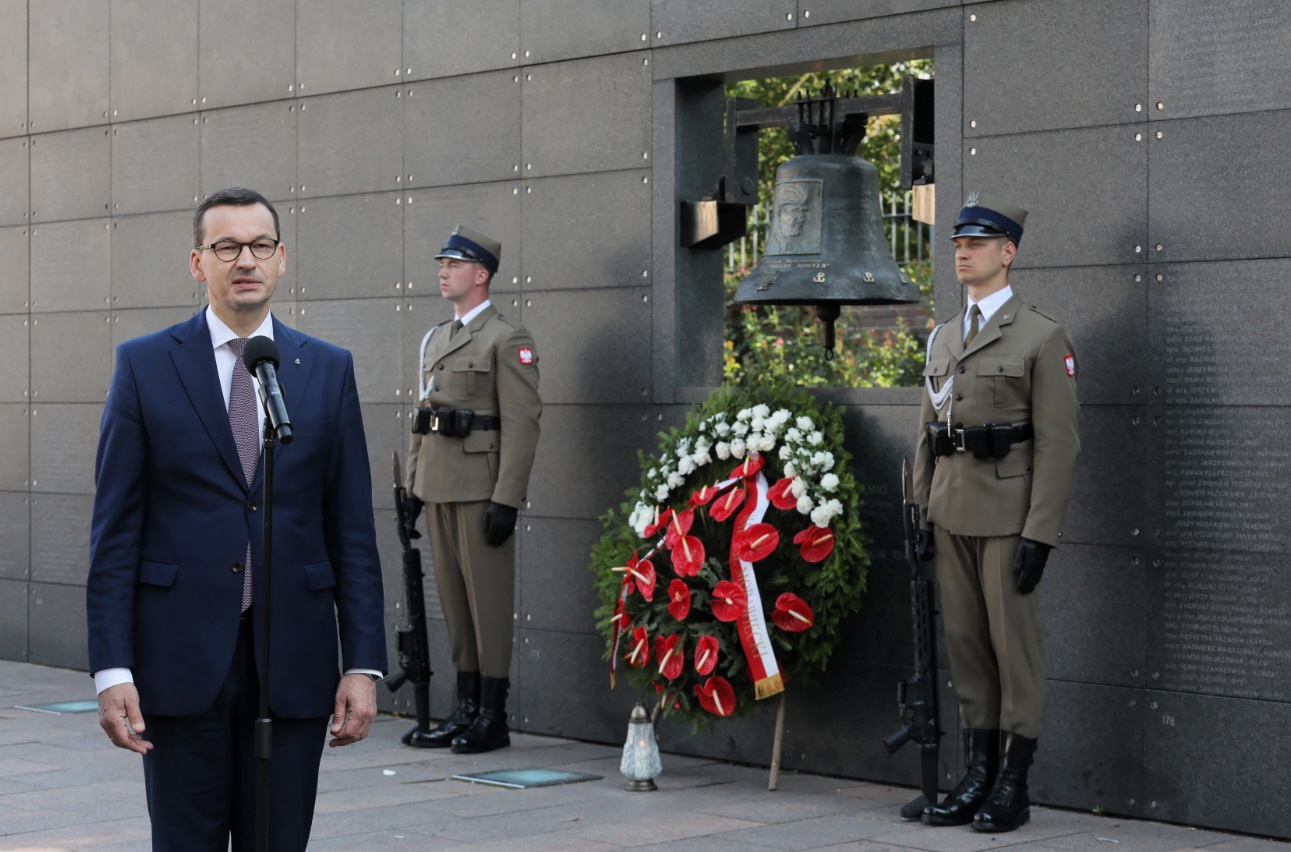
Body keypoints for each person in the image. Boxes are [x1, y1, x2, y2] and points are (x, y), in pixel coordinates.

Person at [86, 186, 387, 851]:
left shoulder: (326, 369)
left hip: (294, 663)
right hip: (179, 661)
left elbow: (352, 531)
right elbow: (115, 530)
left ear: (280, 260)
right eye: (225, 247)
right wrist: (112, 670)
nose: (243, 260)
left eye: (257, 246)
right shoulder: (144, 364)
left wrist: (363, 661)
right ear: (199, 263)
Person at [911, 193, 1080, 832]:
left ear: (1007, 254)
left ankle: (1014, 780)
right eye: (958, 243)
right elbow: (928, 429)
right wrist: (921, 511)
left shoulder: (1042, 336)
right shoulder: (945, 337)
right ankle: (977, 772)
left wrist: (1041, 532)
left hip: (1009, 517)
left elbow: (1060, 443)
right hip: (951, 513)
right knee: (967, 647)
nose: (962, 251)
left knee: (1015, 651)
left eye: (977, 244)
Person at [403, 225, 541, 754]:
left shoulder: (509, 340)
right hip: (438, 487)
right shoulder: (436, 338)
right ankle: (463, 709)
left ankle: (492, 714)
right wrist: (414, 486)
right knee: (457, 606)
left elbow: (523, 423)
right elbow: (424, 417)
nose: (442, 271)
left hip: (481, 490)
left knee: (488, 604)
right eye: (441, 263)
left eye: (454, 264)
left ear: (480, 275)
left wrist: (507, 498)